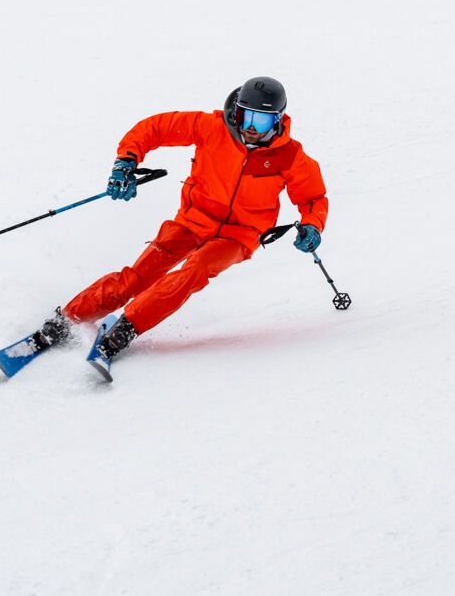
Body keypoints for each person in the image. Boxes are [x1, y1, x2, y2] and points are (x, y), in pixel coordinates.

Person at [32, 76, 328, 380]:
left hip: (237, 236)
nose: (251, 126)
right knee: (137, 278)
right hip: (192, 220)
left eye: (262, 120)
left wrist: (311, 225)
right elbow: (154, 128)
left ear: (278, 121)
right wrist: (126, 162)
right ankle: (66, 320)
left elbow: (314, 197)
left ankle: (127, 327)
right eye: (245, 115)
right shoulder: (211, 128)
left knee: (196, 268)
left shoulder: (290, 157)